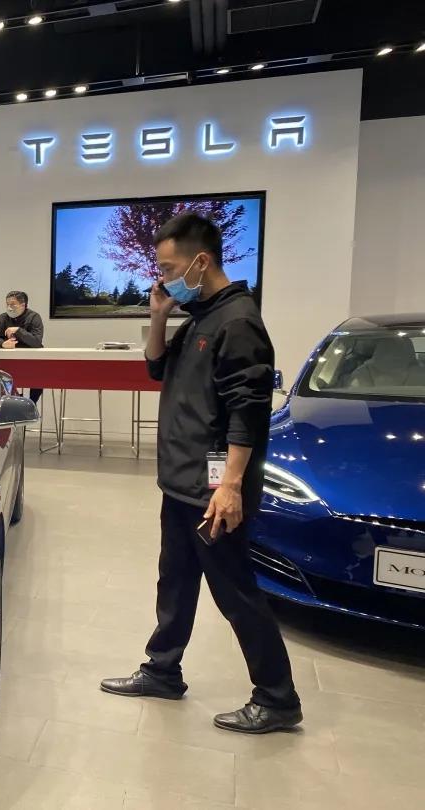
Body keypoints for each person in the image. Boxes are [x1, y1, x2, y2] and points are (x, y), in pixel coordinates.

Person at [100, 212, 302, 735]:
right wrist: (159, 316)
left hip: (213, 487)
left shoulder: (238, 322)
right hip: (181, 481)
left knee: (234, 590)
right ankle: (162, 671)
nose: (163, 278)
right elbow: (155, 367)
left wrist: (230, 486)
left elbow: (247, 411)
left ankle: (277, 697)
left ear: (201, 261)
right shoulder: (200, 317)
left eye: (169, 269)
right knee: (175, 579)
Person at [0, 290, 44, 404]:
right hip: (10, 361)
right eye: (7, 304)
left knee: (38, 378)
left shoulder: (34, 317)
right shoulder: (3, 317)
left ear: (23, 305)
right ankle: (11, 402)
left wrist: (18, 330)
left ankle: (31, 404)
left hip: (31, 362)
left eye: (13, 305)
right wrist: (2, 344)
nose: (9, 308)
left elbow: (37, 342)